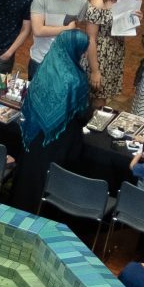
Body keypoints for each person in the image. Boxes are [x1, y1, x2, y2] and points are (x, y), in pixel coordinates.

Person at [12, 28, 93, 214]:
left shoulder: (44, 67)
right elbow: (82, 113)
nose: (85, 53)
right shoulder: (76, 78)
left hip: (35, 135)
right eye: (83, 49)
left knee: (29, 178)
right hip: (59, 141)